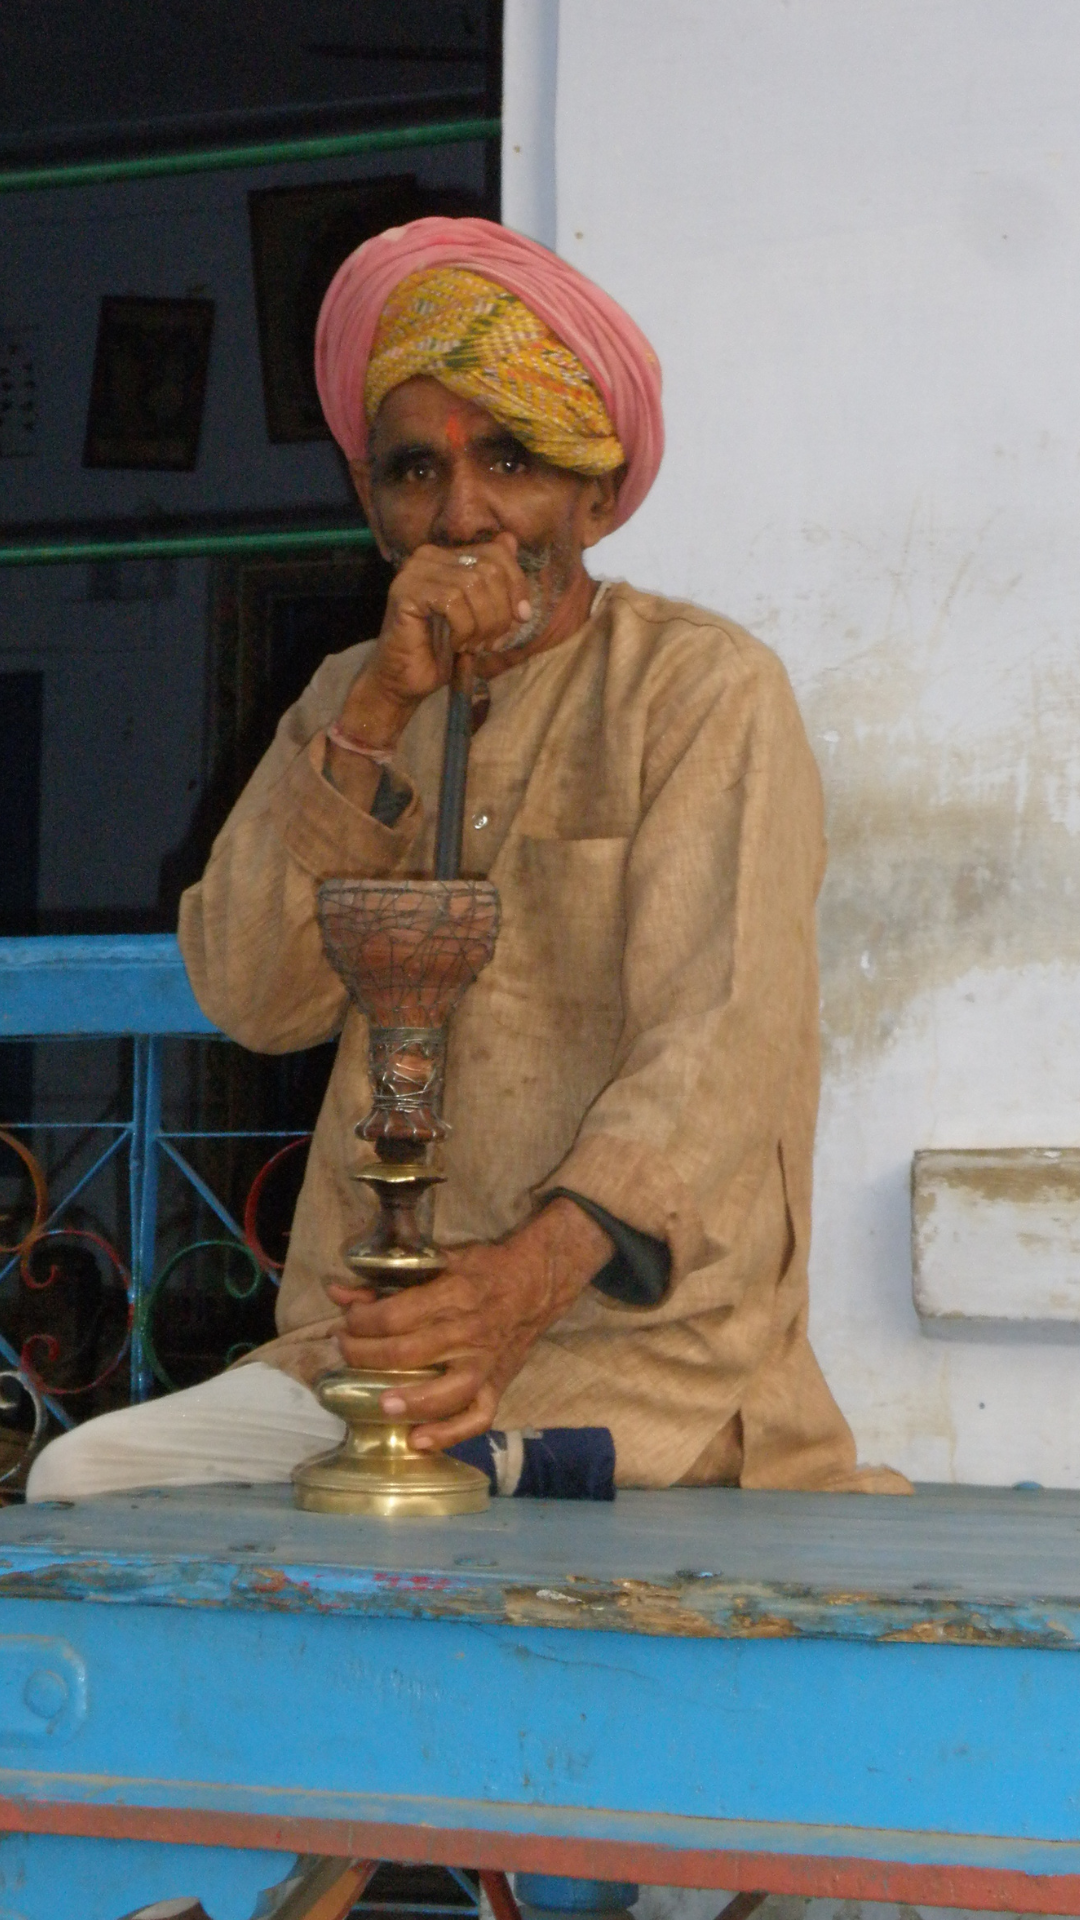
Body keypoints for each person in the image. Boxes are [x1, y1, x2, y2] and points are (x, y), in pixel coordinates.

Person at [28, 218, 907, 1501]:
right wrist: (379, 716)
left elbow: (718, 1051)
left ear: (596, 495)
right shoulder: (351, 693)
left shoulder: (702, 692)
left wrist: (515, 1289)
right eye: (415, 472)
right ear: (370, 504)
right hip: (359, 1359)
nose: (464, 514)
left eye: (511, 460)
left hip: (630, 1371)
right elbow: (248, 993)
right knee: (85, 1489)